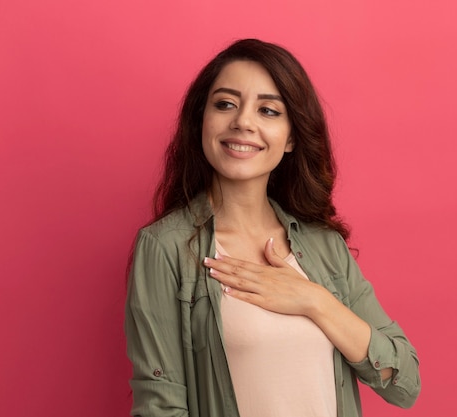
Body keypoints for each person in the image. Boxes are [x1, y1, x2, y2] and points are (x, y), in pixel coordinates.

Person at [125, 38, 421, 417]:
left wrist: (315, 301)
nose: (243, 122)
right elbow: (159, 408)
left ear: (292, 137)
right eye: (226, 104)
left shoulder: (324, 246)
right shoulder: (166, 248)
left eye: (268, 110)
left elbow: (405, 382)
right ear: (202, 120)